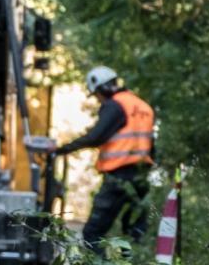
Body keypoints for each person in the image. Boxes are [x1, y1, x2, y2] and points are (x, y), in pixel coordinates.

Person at [54, 66, 155, 254]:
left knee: (92, 233)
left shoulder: (115, 105)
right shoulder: (143, 107)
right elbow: (152, 147)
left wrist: (61, 149)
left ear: (102, 89)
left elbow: (95, 137)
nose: (97, 100)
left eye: (96, 95)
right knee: (134, 234)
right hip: (141, 179)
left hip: (118, 178)